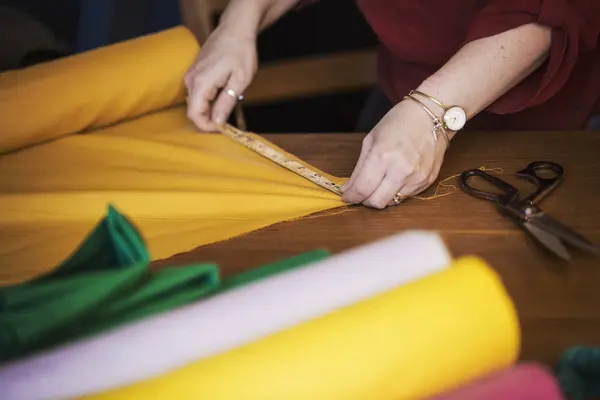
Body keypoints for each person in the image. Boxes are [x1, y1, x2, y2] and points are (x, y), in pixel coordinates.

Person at [184, 0, 600, 209]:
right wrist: (237, 24)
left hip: (548, 113)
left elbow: (552, 9)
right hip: (401, 98)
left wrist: (432, 111)